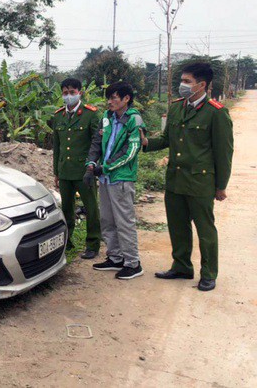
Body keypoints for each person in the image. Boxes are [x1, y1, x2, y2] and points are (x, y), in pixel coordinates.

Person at [142, 62, 233, 291]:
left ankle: (209, 273)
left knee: (205, 229)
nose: (182, 85)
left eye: (187, 81)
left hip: (200, 181)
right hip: (175, 179)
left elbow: (224, 152)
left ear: (201, 85)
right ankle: (181, 266)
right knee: (177, 226)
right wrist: (144, 143)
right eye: (182, 80)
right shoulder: (176, 107)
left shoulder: (216, 112)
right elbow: (166, 140)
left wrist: (220, 186)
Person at [85, 81, 145, 280]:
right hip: (105, 178)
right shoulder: (107, 117)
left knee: (124, 221)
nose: (109, 101)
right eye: (108, 98)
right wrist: (91, 164)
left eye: (114, 98)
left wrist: (107, 166)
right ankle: (115, 257)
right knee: (107, 220)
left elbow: (131, 151)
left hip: (121, 178)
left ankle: (132, 262)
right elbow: (96, 141)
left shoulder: (134, 120)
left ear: (126, 99)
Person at [52, 78, 102, 259]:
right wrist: (56, 172)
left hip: (84, 171)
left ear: (80, 93)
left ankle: (93, 243)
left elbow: (97, 144)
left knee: (91, 208)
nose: (68, 96)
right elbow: (56, 147)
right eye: (65, 93)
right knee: (66, 208)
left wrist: (94, 167)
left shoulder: (90, 114)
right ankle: (68, 241)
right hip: (65, 170)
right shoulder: (58, 116)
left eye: (72, 92)